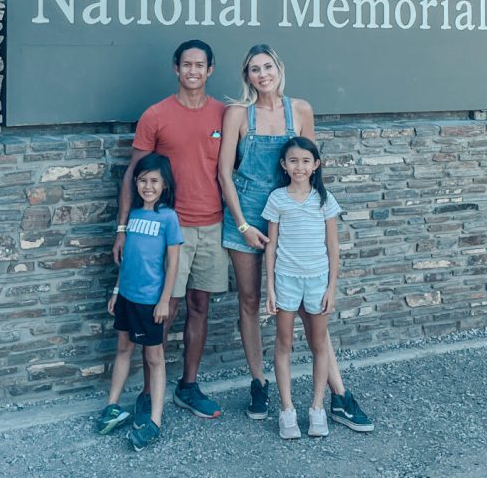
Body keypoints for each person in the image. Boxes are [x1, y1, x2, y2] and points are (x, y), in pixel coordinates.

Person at [219, 43, 373, 431]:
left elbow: (309, 163)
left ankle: (338, 394)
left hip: (292, 215)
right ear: (247, 76)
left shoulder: (300, 110)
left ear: (278, 69)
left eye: (267, 66)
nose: (262, 74)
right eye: (254, 69)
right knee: (251, 300)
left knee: (310, 309)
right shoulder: (238, 113)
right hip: (248, 218)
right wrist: (241, 224)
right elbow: (224, 174)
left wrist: (317, 215)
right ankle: (259, 383)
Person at [113, 39, 228, 424]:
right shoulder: (156, 115)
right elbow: (133, 173)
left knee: (200, 306)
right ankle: (149, 391)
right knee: (164, 310)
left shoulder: (225, 115)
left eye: (200, 65)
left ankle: (188, 387)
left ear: (210, 70)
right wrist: (123, 228)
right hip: (165, 232)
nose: (192, 71)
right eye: (186, 64)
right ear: (175, 69)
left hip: (211, 225)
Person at [97, 153, 183, 451]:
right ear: (136, 183)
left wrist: (164, 301)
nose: (148, 186)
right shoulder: (132, 215)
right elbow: (128, 260)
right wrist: (117, 290)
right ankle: (112, 406)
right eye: (143, 180)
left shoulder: (168, 218)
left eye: (154, 181)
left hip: (150, 301)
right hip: (127, 297)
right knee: (123, 349)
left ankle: (155, 420)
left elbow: (172, 264)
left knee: (154, 358)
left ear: (165, 185)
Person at [264, 137, 341, 439]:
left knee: (318, 344)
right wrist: (270, 288)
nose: (299, 166)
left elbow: (333, 247)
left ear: (316, 165)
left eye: (306, 161)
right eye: (293, 160)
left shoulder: (324, 200)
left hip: (317, 280)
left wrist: (331, 288)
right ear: (284, 165)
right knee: (284, 344)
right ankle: (287, 410)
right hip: (286, 279)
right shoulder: (277, 199)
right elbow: (270, 248)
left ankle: (317, 408)